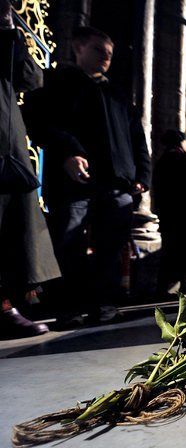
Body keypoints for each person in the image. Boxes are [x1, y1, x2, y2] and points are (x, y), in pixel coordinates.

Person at [23, 26, 151, 324]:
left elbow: (137, 138)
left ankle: (101, 306)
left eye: (109, 54)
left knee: (110, 248)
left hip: (116, 183)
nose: (105, 57)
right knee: (68, 244)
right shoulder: (56, 82)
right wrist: (67, 150)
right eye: (98, 50)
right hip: (73, 181)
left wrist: (142, 174)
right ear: (78, 48)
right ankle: (66, 308)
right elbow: (37, 121)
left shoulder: (117, 93)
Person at [0, 0, 60, 338]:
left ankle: (5, 304)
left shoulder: (6, 37)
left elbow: (30, 77)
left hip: (7, 143)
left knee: (12, 224)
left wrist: (10, 32)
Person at [153, 130, 186, 296]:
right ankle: (169, 286)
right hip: (183, 214)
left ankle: (170, 285)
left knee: (170, 249)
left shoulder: (162, 160)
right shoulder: (182, 159)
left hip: (167, 213)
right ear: (180, 142)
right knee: (180, 249)